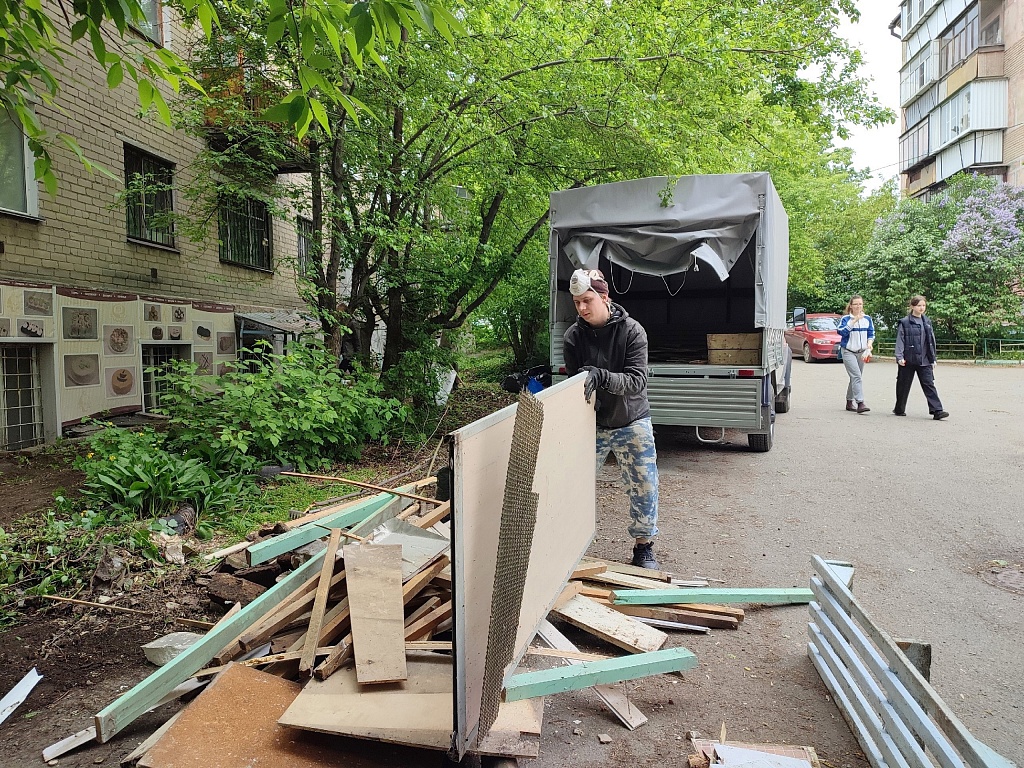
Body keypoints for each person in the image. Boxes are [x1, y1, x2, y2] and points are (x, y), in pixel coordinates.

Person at [562, 268, 660, 569]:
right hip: (591, 422)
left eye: (587, 300)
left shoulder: (632, 331)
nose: (581, 308)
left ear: (604, 297)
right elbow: (575, 386)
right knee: (571, 484)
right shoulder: (573, 337)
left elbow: (636, 381)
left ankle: (644, 546)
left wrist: (601, 376)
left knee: (643, 484)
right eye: (576, 301)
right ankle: (569, 543)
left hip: (631, 419)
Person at [894, 295, 949, 420]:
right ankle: (899, 408)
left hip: (924, 360)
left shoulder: (927, 322)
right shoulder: (905, 322)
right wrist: (899, 356)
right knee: (903, 385)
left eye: (923, 305)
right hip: (908, 359)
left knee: (929, 384)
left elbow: (931, 341)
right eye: (919, 305)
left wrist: (933, 358)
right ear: (913, 306)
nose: (921, 308)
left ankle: (937, 411)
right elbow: (900, 340)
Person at [836, 295, 875, 414]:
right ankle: (860, 402)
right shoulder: (846, 319)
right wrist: (854, 321)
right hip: (848, 351)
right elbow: (841, 331)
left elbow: (871, 333)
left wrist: (869, 344)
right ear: (851, 306)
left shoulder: (867, 319)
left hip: (862, 352)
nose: (858, 306)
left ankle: (849, 401)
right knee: (856, 376)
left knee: (855, 377)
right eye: (856, 304)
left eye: (860, 304)